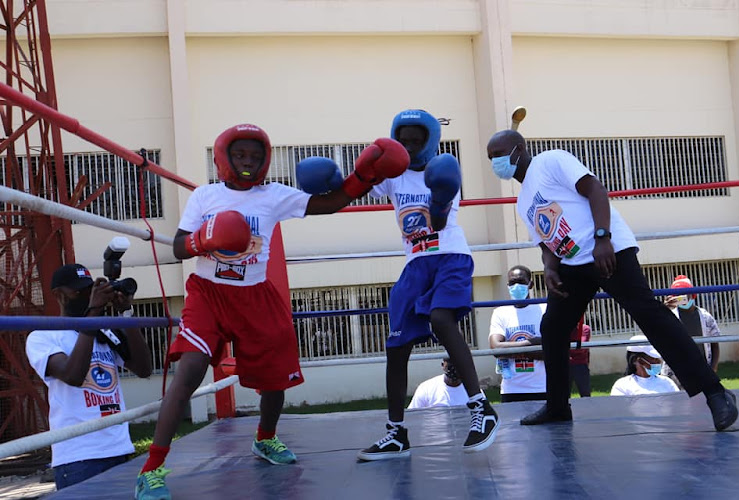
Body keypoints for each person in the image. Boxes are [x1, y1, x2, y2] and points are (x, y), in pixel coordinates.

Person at [135, 123, 409, 499]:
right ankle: (152, 468)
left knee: (276, 378)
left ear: (265, 161)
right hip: (209, 295)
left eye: (255, 156)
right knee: (191, 370)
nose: (248, 162)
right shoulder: (205, 196)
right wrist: (205, 239)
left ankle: (265, 438)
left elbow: (328, 204)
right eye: (240, 155)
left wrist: (363, 176)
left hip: (256, 297)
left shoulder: (273, 195)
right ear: (223, 158)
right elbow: (180, 247)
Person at [486, 128, 738, 431]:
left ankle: (715, 393)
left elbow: (594, 189)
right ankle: (557, 407)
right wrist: (550, 267)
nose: (496, 162)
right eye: (491, 158)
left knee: (650, 315)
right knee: (552, 327)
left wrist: (602, 237)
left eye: (499, 154)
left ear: (519, 149)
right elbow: (546, 240)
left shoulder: (550, 161)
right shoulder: (523, 200)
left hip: (608, 251)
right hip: (571, 265)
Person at [358, 109, 498, 461]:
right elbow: (358, 187)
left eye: (416, 140)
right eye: (402, 140)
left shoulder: (443, 170)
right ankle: (395, 433)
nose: (409, 146)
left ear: (429, 140)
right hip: (414, 264)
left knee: (440, 319)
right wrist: (362, 165)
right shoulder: (394, 176)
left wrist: (437, 197)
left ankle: (481, 408)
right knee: (396, 346)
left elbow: (436, 222)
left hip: (449, 255)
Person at [25, 263, 152, 490]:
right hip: (79, 457)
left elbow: (144, 369)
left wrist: (126, 313)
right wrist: (93, 313)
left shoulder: (104, 331)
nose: (87, 295)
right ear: (58, 295)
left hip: (118, 448)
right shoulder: (43, 336)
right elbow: (73, 375)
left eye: (89, 289)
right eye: (79, 291)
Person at [488, 265, 546, 403]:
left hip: (543, 387)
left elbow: (550, 350)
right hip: (511, 389)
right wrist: (531, 344)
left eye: (521, 282)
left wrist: (510, 349)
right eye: (512, 283)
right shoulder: (500, 312)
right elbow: (496, 349)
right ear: (507, 285)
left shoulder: (544, 309)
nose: (517, 286)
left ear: (530, 284)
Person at [662, 275, 721, 385]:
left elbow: (715, 344)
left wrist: (713, 368)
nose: (682, 297)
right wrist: (663, 311)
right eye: (677, 295)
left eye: (684, 293)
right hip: (675, 374)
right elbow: (656, 332)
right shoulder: (669, 316)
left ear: (693, 294)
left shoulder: (705, 316)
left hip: (702, 370)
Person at [610, 335, 680, 396]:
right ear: (637, 360)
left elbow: (678, 405)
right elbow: (619, 409)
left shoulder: (667, 382)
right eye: (653, 359)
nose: (658, 362)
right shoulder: (623, 385)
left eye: (658, 358)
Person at [569, 323, 592, 397]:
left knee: (585, 394)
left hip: (580, 365)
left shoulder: (584, 329)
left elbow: (581, 348)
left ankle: (587, 408)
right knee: (563, 395)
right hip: (565, 365)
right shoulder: (562, 328)